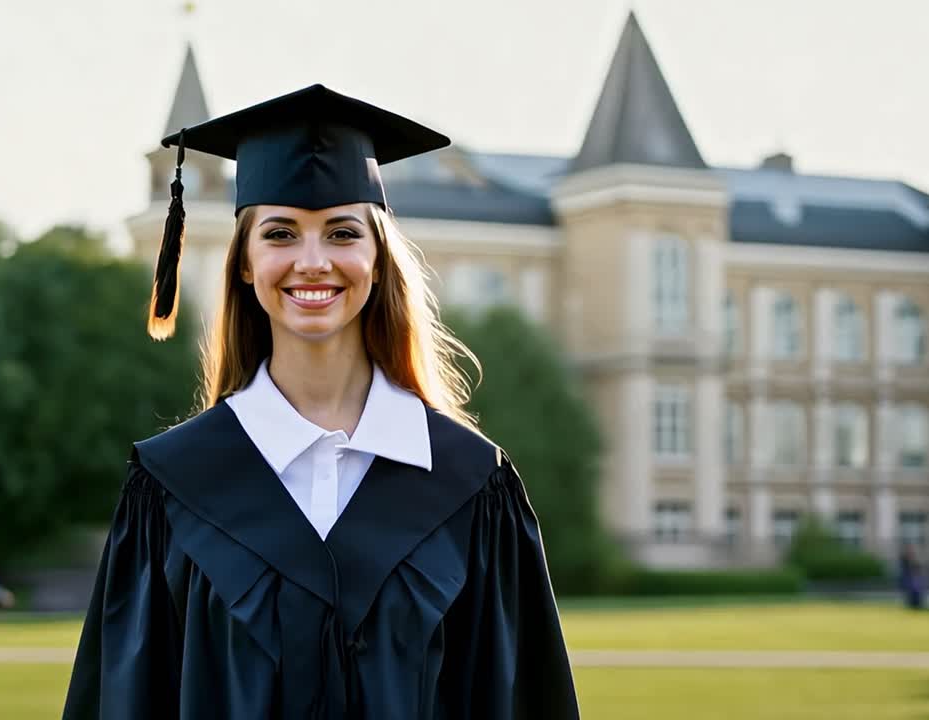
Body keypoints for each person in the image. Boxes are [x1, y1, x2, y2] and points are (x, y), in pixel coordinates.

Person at [62, 84, 580, 719]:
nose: (313, 261)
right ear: (246, 263)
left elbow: (521, 701)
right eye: (280, 233)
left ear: (376, 258)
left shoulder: (471, 487)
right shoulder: (172, 489)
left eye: (341, 233)